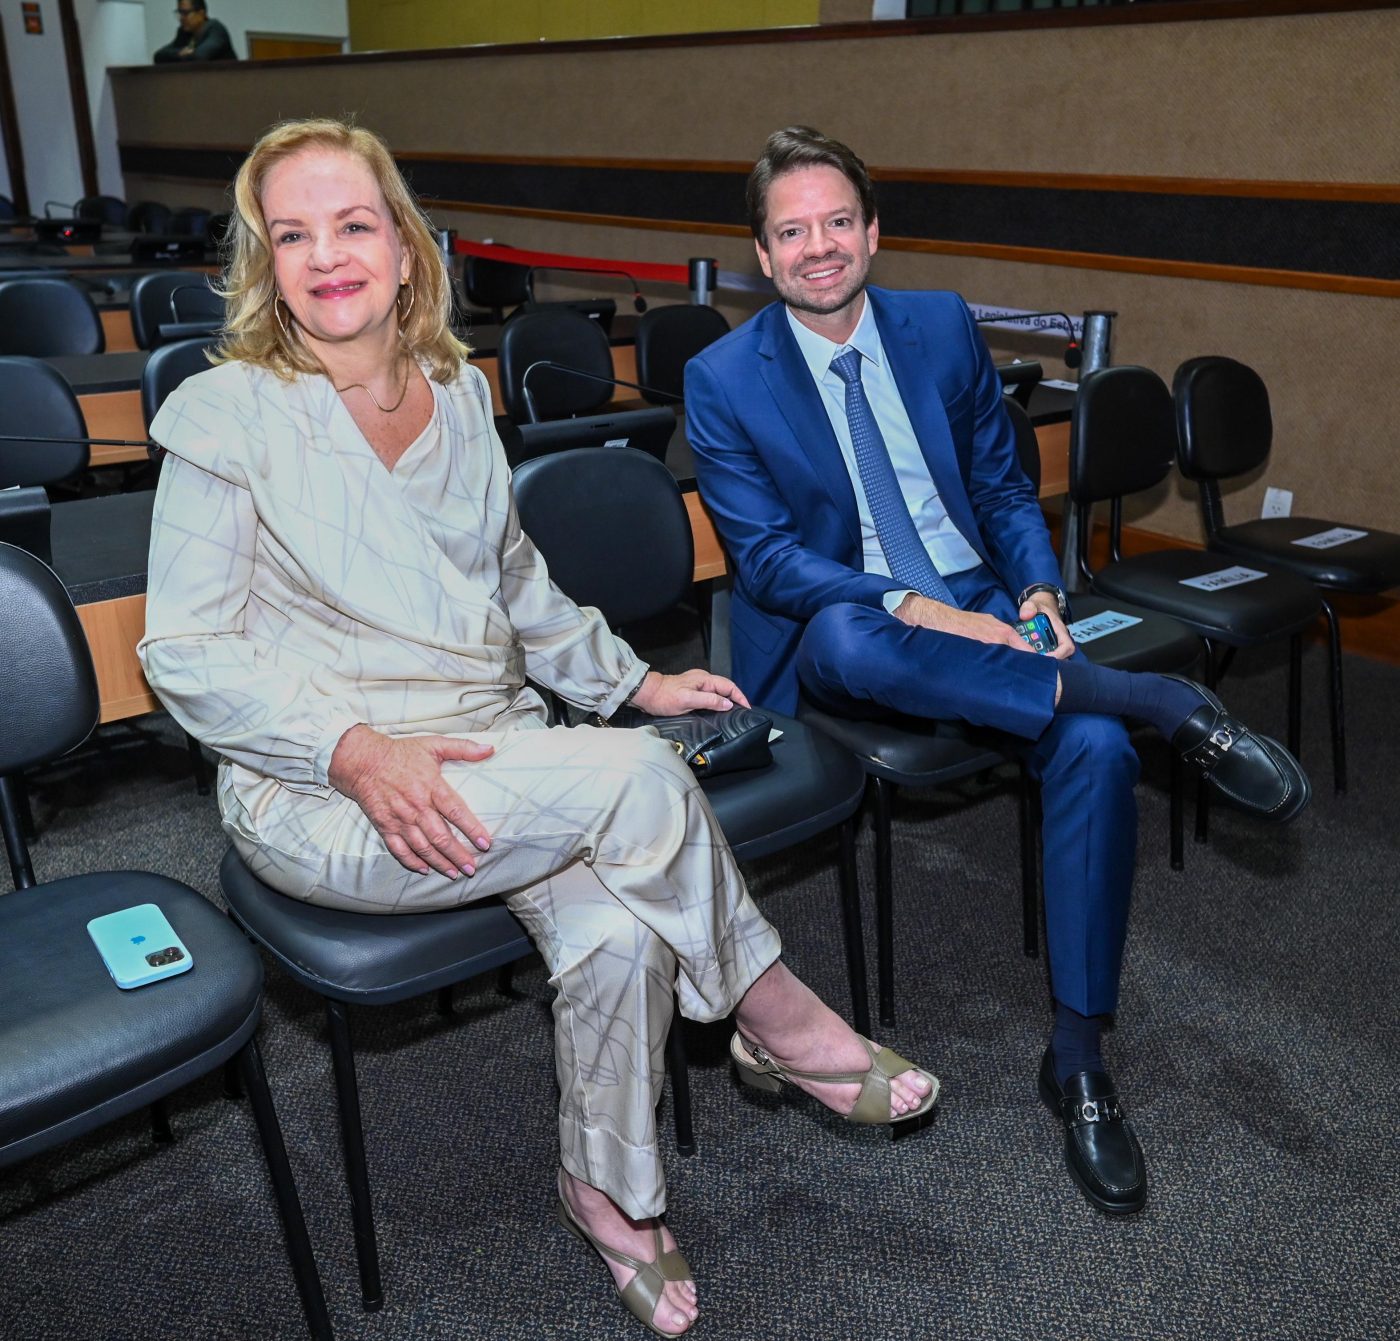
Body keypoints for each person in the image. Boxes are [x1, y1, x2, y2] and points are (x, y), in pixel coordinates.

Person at [136, 118, 937, 1339]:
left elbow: (516, 584)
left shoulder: (456, 390)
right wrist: (353, 751)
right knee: (643, 790)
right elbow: (183, 657)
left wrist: (632, 686)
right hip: (326, 788)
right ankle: (777, 1021)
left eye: (354, 224)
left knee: (621, 921)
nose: (327, 255)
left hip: (496, 747)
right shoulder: (222, 415)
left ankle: (607, 1192)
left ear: (404, 248)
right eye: (291, 234)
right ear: (263, 262)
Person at [685, 126, 1310, 1219]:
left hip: (980, 600)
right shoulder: (722, 378)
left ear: (872, 232)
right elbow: (774, 565)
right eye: (791, 232)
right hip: (854, 621)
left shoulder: (935, 324)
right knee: (842, 631)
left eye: (838, 222)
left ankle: (1077, 1061)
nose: (818, 247)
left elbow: (1001, 481)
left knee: (1094, 746)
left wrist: (1030, 594)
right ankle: (1170, 701)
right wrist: (919, 607)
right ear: (761, 253)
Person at [153, 2, 238, 63]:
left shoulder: (216, 29)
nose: (181, 18)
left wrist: (183, 55)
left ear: (201, 14)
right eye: (179, 13)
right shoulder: (184, 33)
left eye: (185, 13)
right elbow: (158, 56)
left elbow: (199, 57)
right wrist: (179, 53)